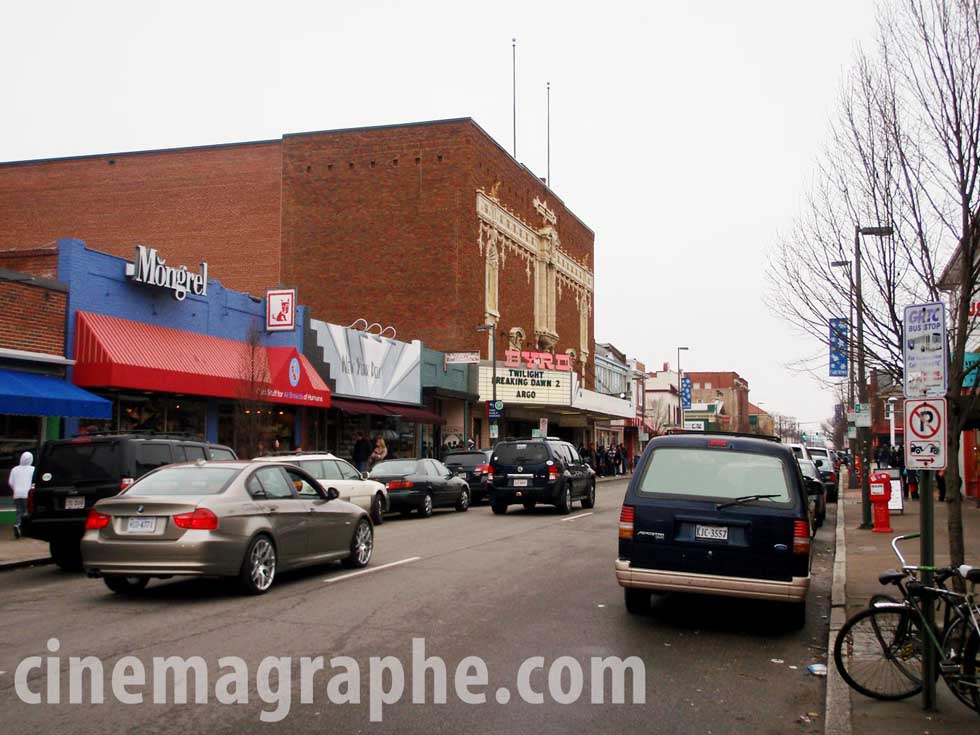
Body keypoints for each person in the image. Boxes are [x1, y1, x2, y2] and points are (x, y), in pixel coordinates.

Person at [8, 451, 34, 540]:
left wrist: (15, 489)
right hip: (27, 494)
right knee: (27, 511)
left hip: (17, 494)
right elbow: (34, 482)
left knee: (19, 511)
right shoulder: (33, 469)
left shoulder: (14, 469)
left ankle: (18, 525)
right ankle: (23, 529)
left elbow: (10, 482)